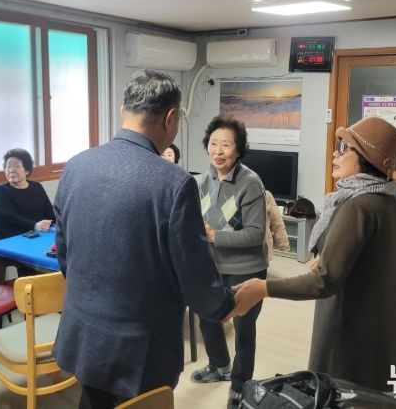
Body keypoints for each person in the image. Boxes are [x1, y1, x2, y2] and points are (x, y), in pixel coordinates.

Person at [53, 70, 234, 409]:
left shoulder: (76, 167)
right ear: (171, 117)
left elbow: (65, 255)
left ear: (123, 109)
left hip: (83, 334)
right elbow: (195, 274)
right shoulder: (174, 183)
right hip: (140, 350)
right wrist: (226, 304)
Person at [231, 116, 396, 392]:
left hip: (348, 337)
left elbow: (325, 280)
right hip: (378, 334)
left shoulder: (357, 207)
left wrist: (263, 288)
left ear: (368, 159)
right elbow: (366, 262)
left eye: (345, 148)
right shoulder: (389, 204)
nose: (335, 154)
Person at [190, 116, 267, 409]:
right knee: (207, 317)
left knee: (244, 329)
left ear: (238, 149)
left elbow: (256, 234)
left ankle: (240, 386)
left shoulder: (250, 182)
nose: (218, 151)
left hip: (246, 270)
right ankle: (219, 365)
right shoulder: (202, 181)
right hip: (211, 267)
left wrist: (215, 236)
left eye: (226, 145)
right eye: (213, 144)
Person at [0, 148, 55, 239]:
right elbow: (8, 217)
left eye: (17, 166)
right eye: (8, 167)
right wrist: (35, 225)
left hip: (39, 233)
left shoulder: (37, 187)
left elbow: (50, 213)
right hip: (14, 237)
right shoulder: (1, 190)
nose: (11, 170)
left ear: (27, 170)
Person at [264, 190, 290, 259]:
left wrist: (283, 245)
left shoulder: (266, 195)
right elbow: (277, 221)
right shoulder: (266, 194)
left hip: (262, 243)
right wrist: (283, 245)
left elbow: (277, 221)